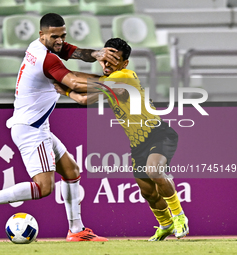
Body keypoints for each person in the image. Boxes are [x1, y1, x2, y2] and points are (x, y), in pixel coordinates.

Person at [0, 13, 120, 242]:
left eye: (63, 36)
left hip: (37, 127)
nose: (60, 41)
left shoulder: (41, 47)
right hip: (31, 129)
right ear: (42, 35)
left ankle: (76, 230)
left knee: (71, 172)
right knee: (43, 188)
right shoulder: (46, 59)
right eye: (55, 36)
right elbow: (74, 82)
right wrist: (109, 82)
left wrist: (98, 55)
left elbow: (74, 53)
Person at [54, 38, 190, 241]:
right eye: (105, 58)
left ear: (125, 63)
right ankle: (166, 224)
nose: (107, 63)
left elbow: (80, 84)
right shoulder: (109, 82)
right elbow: (84, 98)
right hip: (138, 145)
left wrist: (60, 77)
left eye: (113, 59)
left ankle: (179, 217)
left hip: (158, 133)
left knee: (155, 171)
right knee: (148, 193)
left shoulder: (124, 76)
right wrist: (64, 89)